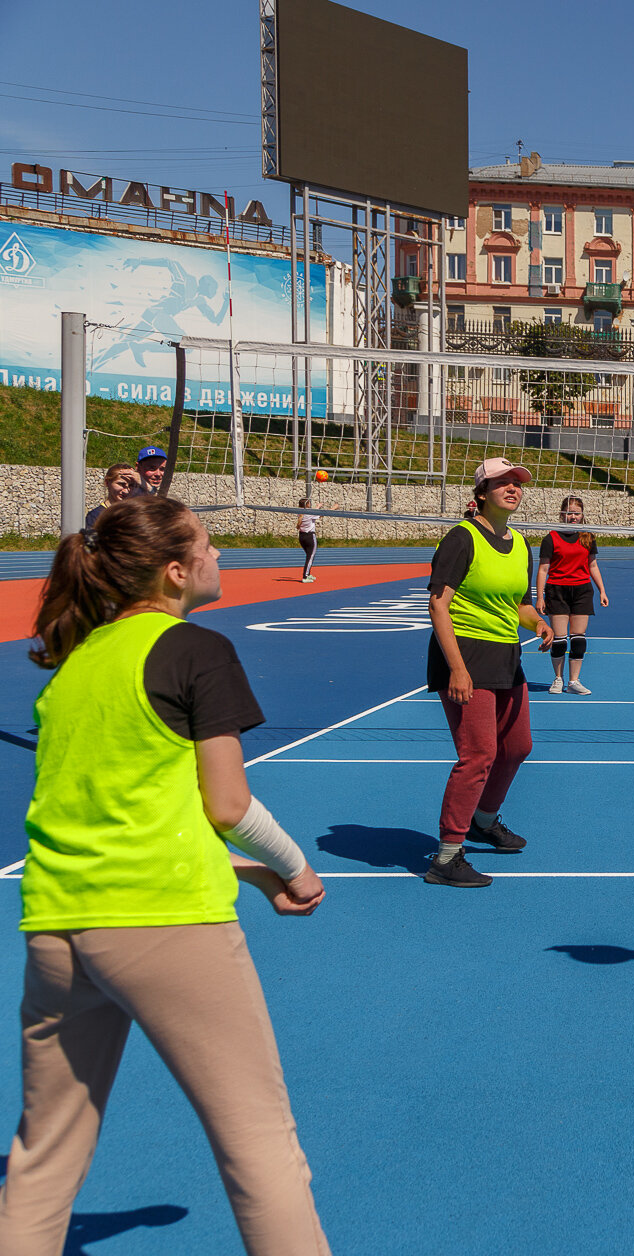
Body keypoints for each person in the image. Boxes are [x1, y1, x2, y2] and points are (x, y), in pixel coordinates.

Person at [0, 496, 331, 1253]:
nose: (221, 558)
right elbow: (227, 804)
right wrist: (294, 864)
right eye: (210, 547)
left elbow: (119, 815)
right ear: (177, 571)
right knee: (259, 1144)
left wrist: (247, 875)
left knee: (43, 1159)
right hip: (164, 923)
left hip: (57, 927)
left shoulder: (75, 665)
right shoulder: (194, 649)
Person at [424, 458, 555, 887]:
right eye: (502, 482)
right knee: (478, 754)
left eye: (517, 482)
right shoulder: (462, 539)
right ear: (482, 493)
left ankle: (483, 819)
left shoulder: (520, 543)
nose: (513, 488)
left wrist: (536, 622)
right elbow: (438, 605)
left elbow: (517, 603)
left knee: (517, 747)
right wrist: (456, 669)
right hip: (465, 657)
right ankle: (446, 856)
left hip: (505, 656)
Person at [536, 496, 611, 694]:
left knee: (579, 638)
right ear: (562, 515)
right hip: (557, 589)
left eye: (577, 513)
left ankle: (573, 681)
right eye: (570, 513)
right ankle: (558, 679)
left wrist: (602, 590)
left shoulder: (587, 536)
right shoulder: (551, 538)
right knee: (559, 639)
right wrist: (540, 597)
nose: (574, 517)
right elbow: (543, 569)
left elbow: (592, 565)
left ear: (582, 515)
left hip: (582, 590)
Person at [83, 463, 138, 530]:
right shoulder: (96, 516)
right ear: (107, 482)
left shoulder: (135, 515)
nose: (126, 491)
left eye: (131, 485)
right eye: (121, 484)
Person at [297, 498, 319, 583]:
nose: (310, 504)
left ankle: (308, 574)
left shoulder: (299, 512)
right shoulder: (309, 513)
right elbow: (321, 514)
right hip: (310, 536)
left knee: (309, 556)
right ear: (307, 505)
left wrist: (316, 508)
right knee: (310, 557)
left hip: (301, 536)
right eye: (309, 503)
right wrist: (318, 506)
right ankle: (305, 576)